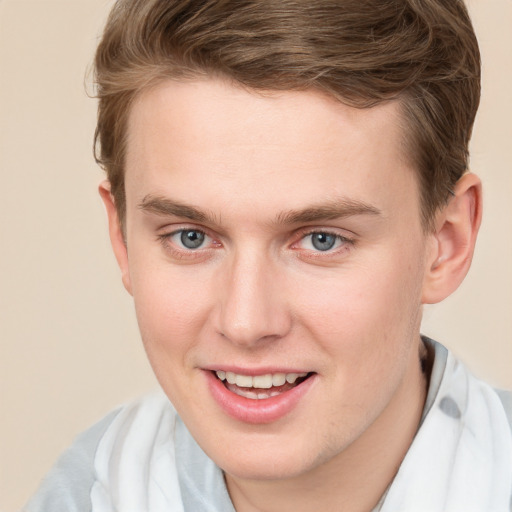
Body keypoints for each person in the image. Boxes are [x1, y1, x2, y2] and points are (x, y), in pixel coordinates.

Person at [25, 0, 512, 511]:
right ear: (122, 237)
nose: (245, 322)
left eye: (322, 239)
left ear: (447, 242)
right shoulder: (87, 494)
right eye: (190, 237)